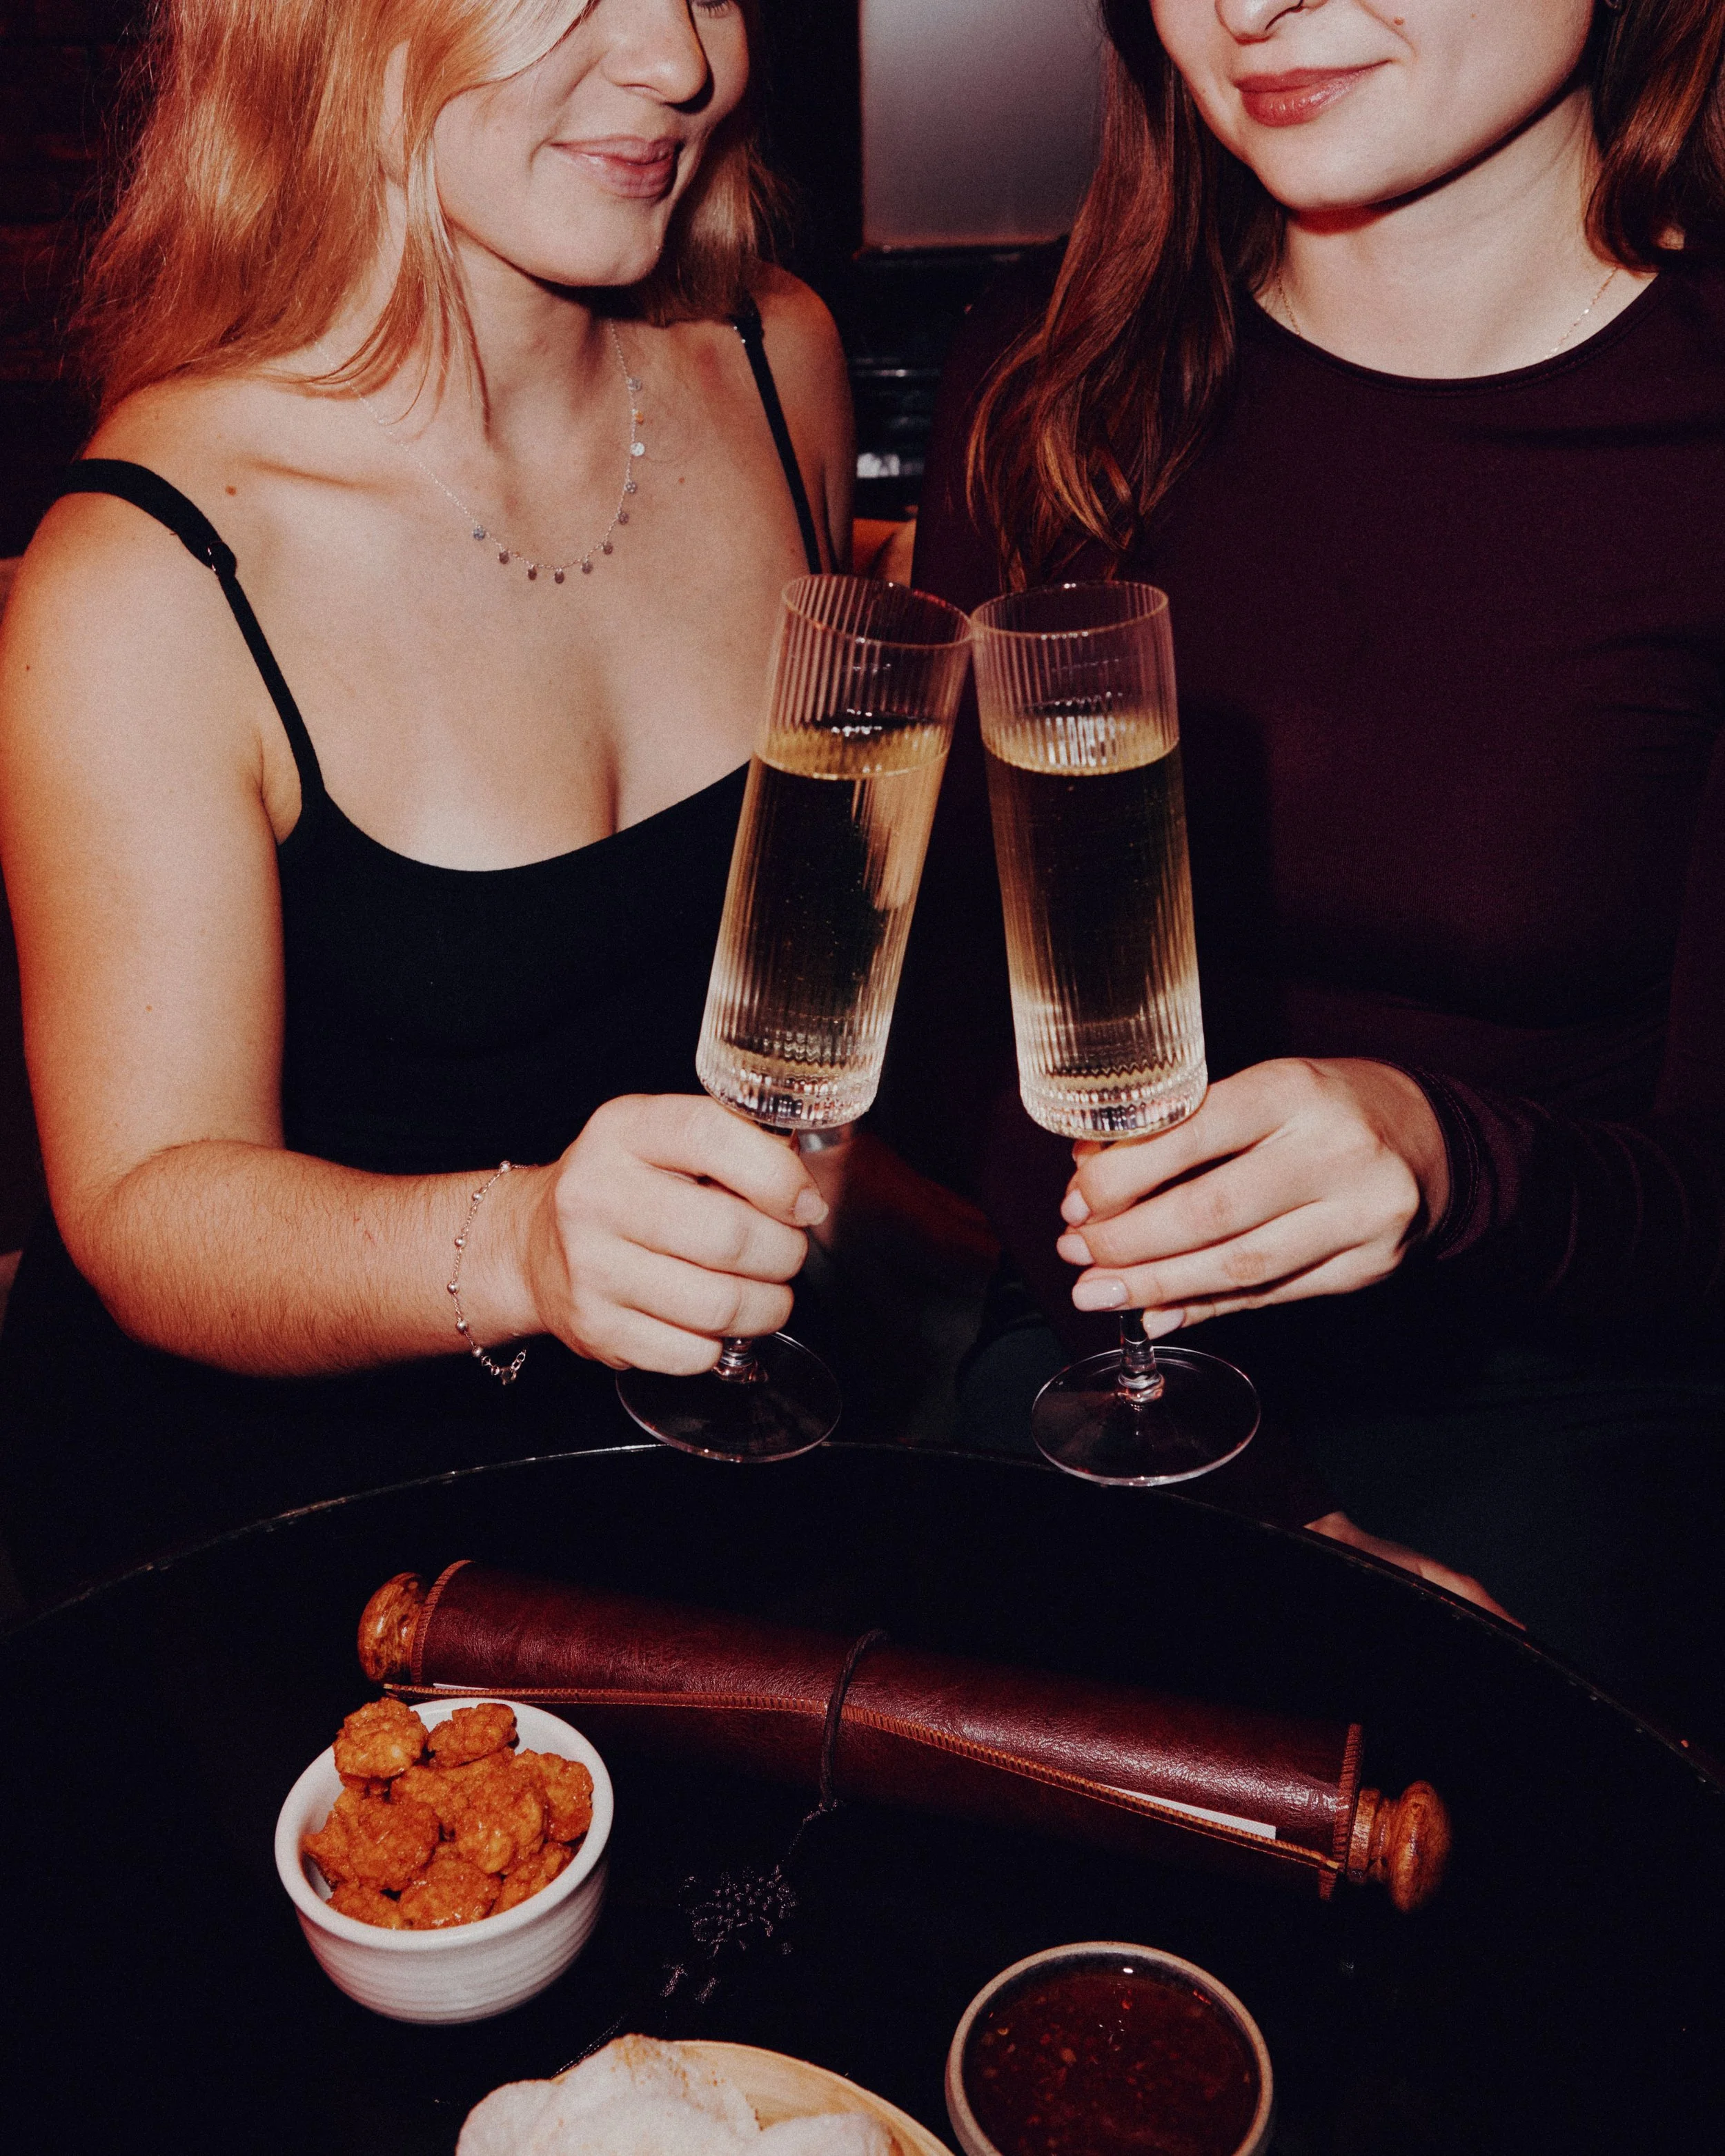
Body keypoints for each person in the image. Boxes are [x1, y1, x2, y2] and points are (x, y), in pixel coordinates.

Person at [905, 0, 1725, 1732]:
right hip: (1093, 1361)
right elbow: (987, 1073)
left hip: (1578, 1396)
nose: (1252, 5)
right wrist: (1258, 1515)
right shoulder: (1052, 386)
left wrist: (1446, 1157)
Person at [0, 0, 857, 1603]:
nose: (677, 63)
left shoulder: (774, 362)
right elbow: (143, 1197)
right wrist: (531, 1246)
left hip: (689, 1461)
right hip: (280, 1530)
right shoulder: (146, 565)